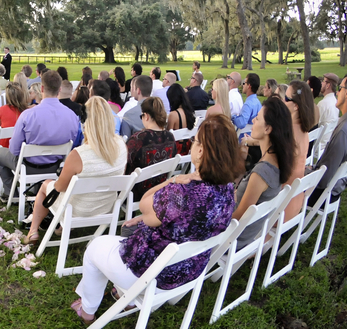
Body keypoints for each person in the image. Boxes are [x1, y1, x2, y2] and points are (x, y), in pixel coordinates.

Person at [71, 114, 243, 323]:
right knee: (129, 229)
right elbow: (174, 220)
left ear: (201, 150)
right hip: (189, 270)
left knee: (95, 247)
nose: (192, 144)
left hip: (151, 272)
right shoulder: (227, 190)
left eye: (196, 140)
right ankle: (126, 298)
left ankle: (87, 310)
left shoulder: (182, 190)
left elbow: (144, 204)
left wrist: (172, 181)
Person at [24, 97, 127, 244]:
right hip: (106, 205)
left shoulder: (79, 154)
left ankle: (33, 231)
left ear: (86, 121)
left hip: (79, 209)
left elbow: (60, 187)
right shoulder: (121, 145)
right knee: (74, 188)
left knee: (46, 185)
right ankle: (61, 228)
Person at [0, 71, 82, 195]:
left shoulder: (28, 115)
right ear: (60, 89)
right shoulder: (72, 116)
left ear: (42, 88)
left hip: (28, 166)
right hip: (56, 166)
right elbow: (72, 144)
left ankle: (11, 193)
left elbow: (14, 149)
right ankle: (36, 190)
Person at [234, 98, 296, 247]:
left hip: (234, 240)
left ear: (268, 129)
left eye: (258, 118)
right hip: (248, 235)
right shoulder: (279, 160)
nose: (253, 120)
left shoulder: (261, 172)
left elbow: (238, 217)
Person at [310, 73, 347, 207]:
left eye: (340, 89)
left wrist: (307, 173)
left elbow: (323, 178)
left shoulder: (344, 130)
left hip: (323, 193)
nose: (337, 92)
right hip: (335, 189)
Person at [126, 97, 177, 200]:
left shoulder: (137, 139)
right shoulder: (170, 137)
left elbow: (126, 165)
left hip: (136, 192)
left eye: (141, 116)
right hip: (160, 188)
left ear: (146, 116)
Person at [282, 80, 315, 221]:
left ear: (295, 106)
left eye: (286, 99)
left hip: (281, 207)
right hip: (296, 201)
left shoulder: (288, 134)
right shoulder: (304, 131)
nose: (283, 102)